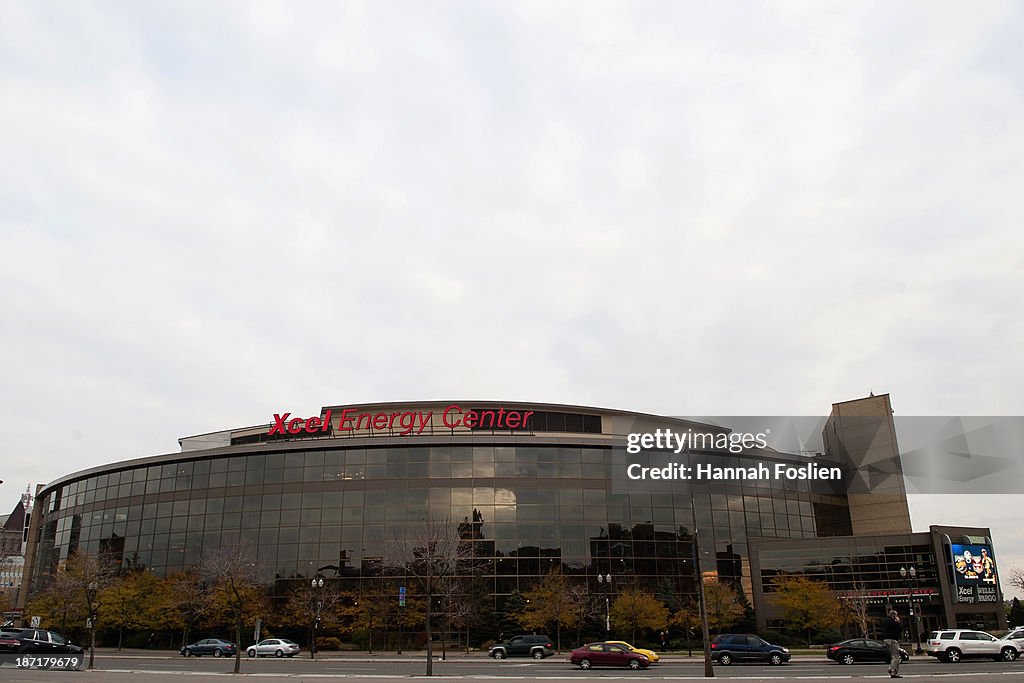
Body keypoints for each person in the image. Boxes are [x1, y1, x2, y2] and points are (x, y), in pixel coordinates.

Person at [882, 610, 903, 678]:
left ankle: (891, 668)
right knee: (896, 657)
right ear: (894, 616)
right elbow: (900, 629)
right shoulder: (893, 622)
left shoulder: (884, 621)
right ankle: (892, 670)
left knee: (892, 656)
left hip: (886, 640)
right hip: (892, 640)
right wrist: (898, 621)